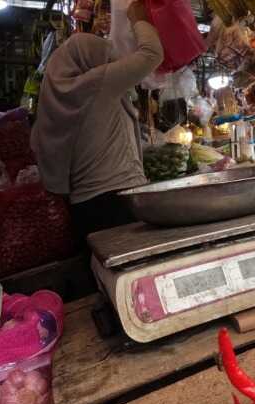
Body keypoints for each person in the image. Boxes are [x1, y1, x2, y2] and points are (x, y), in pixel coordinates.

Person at [31, 1, 163, 240]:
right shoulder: (96, 84)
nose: (110, 62)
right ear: (89, 59)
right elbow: (152, 54)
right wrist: (138, 19)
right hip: (116, 201)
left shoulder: (61, 93)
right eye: (105, 57)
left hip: (83, 207)